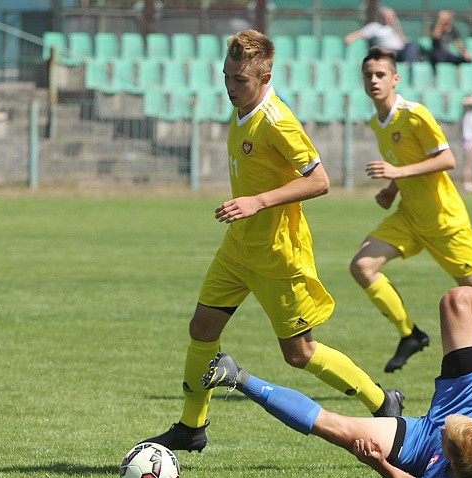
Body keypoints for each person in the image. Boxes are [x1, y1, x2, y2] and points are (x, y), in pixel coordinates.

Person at [143, 31, 403, 453]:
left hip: (279, 255)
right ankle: (191, 427)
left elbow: (320, 181)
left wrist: (258, 201)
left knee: (299, 354)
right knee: (202, 328)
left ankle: (381, 399)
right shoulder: (241, 105)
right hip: (238, 248)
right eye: (225, 77)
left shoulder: (277, 120)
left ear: (265, 77)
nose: (229, 87)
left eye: (239, 80)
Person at [201, 274, 472, 478]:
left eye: (448, 432)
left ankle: (236, 376)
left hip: (418, 445)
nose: (446, 424)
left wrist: (377, 463)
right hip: (468, 401)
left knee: (334, 428)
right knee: (458, 299)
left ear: (447, 458)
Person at [349, 47, 472, 386]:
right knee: (362, 266)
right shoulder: (376, 122)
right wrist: (392, 189)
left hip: (444, 220)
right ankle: (409, 334)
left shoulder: (415, 115)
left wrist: (397, 171)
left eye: (380, 74)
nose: (373, 80)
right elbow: (407, 161)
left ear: (395, 79)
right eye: (368, 75)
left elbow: (446, 159)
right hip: (409, 215)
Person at [344, 7, 419, 64]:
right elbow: (359, 34)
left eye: (391, 16)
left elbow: (403, 42)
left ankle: (407, 66)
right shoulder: (374, 26)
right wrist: (350, 38)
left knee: (411, 45)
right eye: (387, 16)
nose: (389, 18)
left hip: (399, 53)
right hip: (386, 52)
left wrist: (398, 27)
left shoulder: (394, 28)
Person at [460, 95, 472, 193]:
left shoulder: (468, 115)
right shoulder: (469, 116)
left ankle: (468, 181)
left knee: (469, 163)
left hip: (470, 141)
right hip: (469, 141)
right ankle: (467, 182)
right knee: (468, 163)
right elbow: (468, 132)